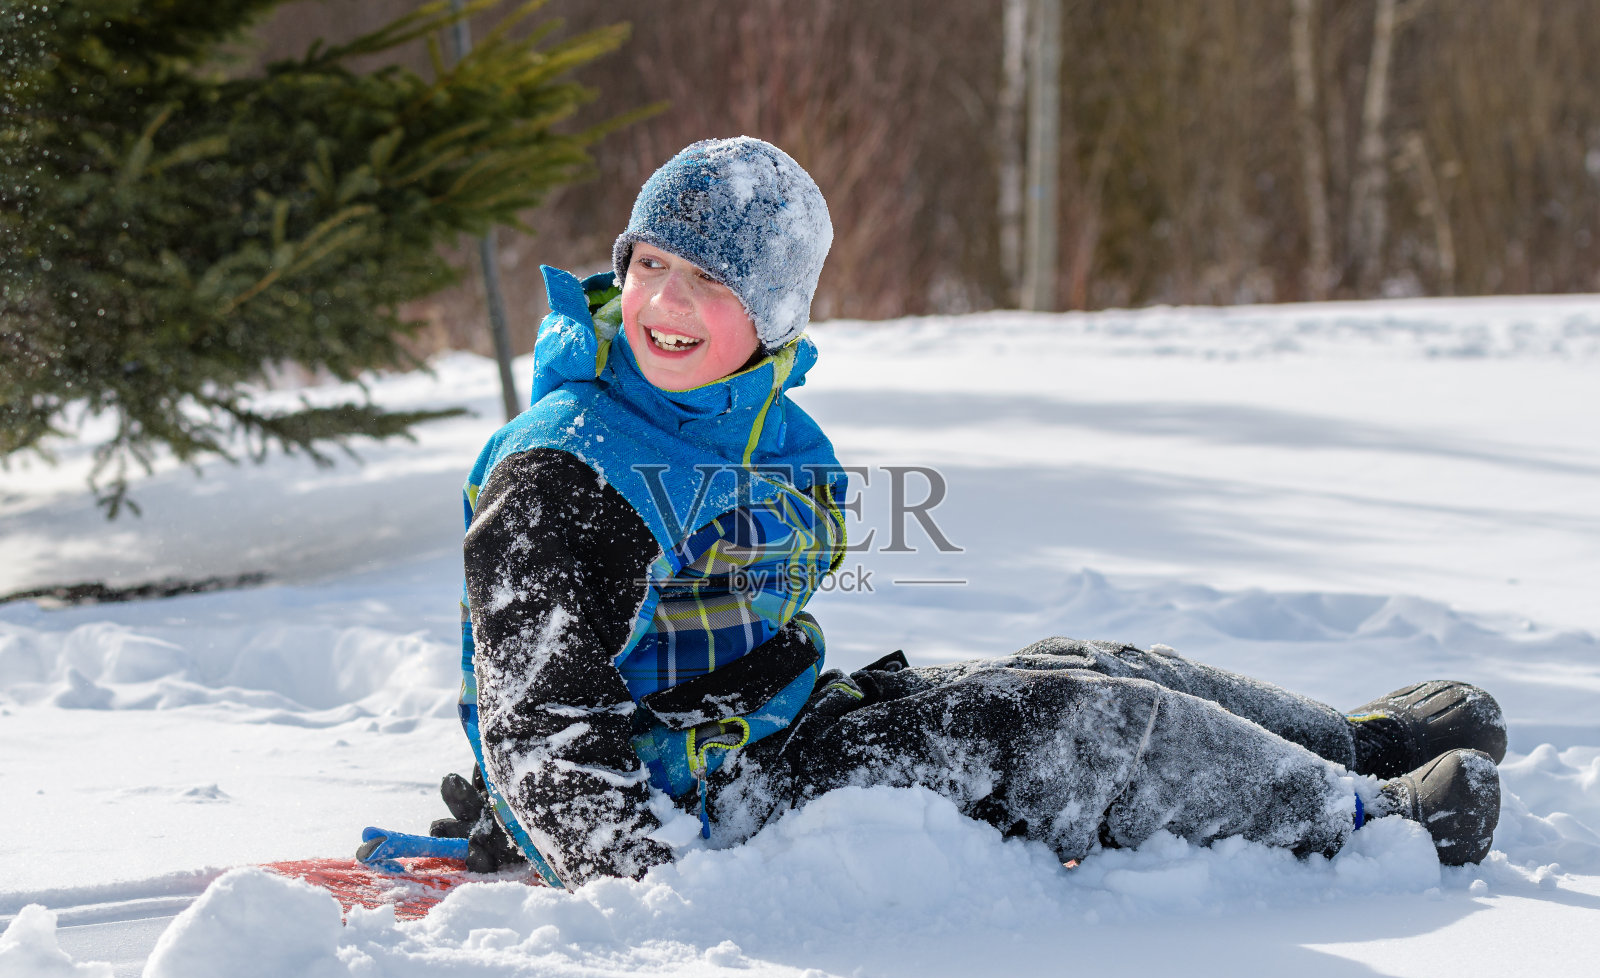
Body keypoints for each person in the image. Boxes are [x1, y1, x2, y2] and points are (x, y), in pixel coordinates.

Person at [430, 137, 1506, 891]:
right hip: (703, 801)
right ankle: (1363, 825)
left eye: (709, 281)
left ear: (771, 317)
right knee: (1059, 725)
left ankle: (1349, 747)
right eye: (650, 264)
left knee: (1086, 660)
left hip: (773, 726)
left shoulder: (745, 418)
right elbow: (541, 724)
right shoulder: (571, 471)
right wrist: (656, 881)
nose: (664, 301)